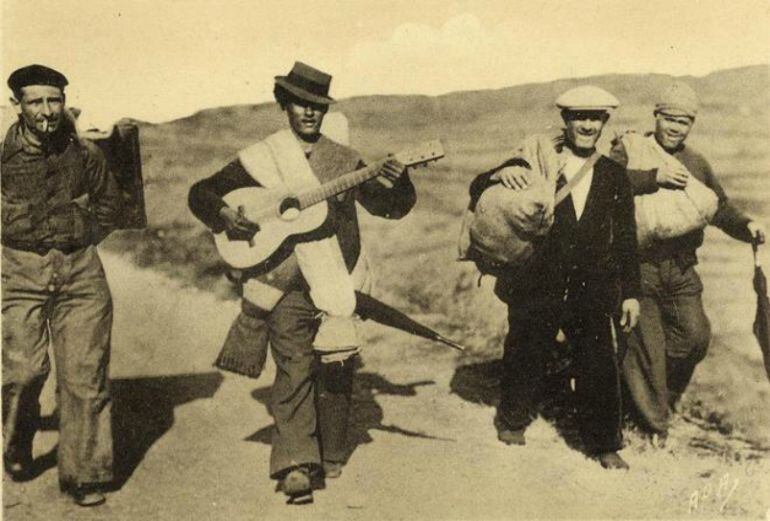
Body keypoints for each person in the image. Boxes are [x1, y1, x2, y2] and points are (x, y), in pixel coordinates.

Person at [188, 62, 416, 503]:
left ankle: (330, 451)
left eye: (317, 106)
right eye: (300, 103)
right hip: (285, 280)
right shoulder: (263, 157)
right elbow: (202, 192)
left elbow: (389, 207)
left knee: (336, 365)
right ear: (285, 105)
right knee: (293, 365)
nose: (309, 112)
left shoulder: (345, 160)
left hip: (336, 280)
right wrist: (226, 215)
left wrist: (400, 181)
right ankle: (295, 464)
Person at [468, 86, 641, 469]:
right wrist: (503, 172)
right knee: (525, 349)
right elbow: (477, 186)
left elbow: (626, 239)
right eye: (579, 117)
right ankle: (512, 421)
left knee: (597, 360)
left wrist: (631, 293)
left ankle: (603, 443)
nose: (587, 125)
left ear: (604, 122)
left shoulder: (613, 175)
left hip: (591, 286)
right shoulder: (538, 163)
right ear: (565, 120)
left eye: (595, 118)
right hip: (538, 281)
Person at [609, 82, 766, 440]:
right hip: (638, 267)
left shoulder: (696, 162)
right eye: (669, 119)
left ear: (691, 125)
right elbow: (605, 184)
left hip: (680, 269)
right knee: (646, 349)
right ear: (656, 116)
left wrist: (746, 226)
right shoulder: (631, 149)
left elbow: (718, 206)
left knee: (694, 338)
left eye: (683, 122)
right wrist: (653, 177)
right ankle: (652, 428)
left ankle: (648, 398)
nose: (675, 128)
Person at [2, 65, 122, 506]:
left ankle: (85, 475)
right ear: (17, 105)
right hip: (19, 272)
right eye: (35, 101)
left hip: (80, 272)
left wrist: (80, 241)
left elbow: (110, 205)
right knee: (23, 373)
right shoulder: (2, 155)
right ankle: (16, 441)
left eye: (54, 100)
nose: (47, 111)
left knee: (85, 377)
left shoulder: (84, 154)